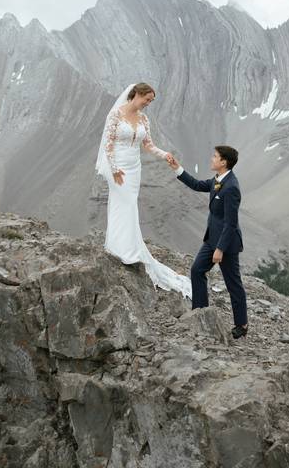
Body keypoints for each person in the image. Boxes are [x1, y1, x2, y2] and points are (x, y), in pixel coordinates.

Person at [94, 82, 191, 298]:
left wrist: (164, 154)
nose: (148, 104)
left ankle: (125, 247)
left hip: (134, 167)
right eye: (147, 99)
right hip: (117, 166)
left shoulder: (143, 119)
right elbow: (107, 145)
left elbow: (147, 144)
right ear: (136, 94)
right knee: (123, 204)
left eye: (150, 101)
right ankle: (121, 250)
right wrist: (114, 169)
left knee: (129, 206)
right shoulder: (116, 115)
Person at [167, 146, 248, 339]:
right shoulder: (218, 180)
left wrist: (220, 249)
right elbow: (196, 185)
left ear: (224, 162)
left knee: (233, 283)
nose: (211, 159)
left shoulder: (231, 187)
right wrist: (177, 168)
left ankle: (242, 324)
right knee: (197, 270)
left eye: (215, 157)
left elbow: (231, 223)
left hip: (226, 244)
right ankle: (201, 312)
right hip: (211, 238)